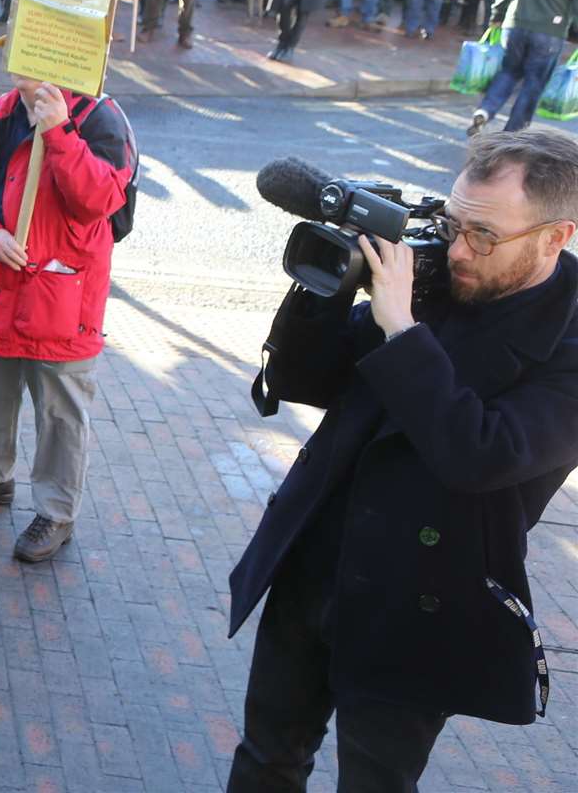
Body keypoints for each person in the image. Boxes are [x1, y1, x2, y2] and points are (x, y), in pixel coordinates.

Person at [226, 130, 578, 792]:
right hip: (315, 564)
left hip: (420, 603)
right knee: (267, 758)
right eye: (450, 221)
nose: (456, 247)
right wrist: (333, 282)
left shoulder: (569, 343)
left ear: (554, 237)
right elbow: (309, 377)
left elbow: (480, 453)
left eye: (482, 234)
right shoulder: (445, 274)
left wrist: (402, 330)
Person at [0, 76, 135, 562]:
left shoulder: (101, 119)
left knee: (60, 408)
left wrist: (60, 133)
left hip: (63, 293)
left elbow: (101, 200)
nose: (27, 74)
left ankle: (57, 512)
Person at [468, 0, 578, 136]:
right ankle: (512, 133)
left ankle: (486, 110)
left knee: (508, 72)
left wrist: (497, 15)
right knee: (533, 83)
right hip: (549, 29)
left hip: (515, 23)